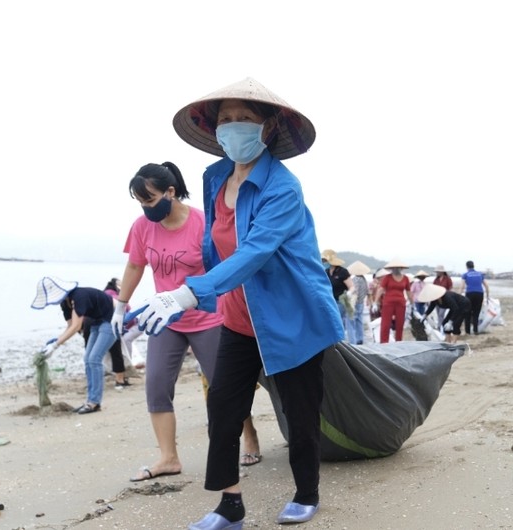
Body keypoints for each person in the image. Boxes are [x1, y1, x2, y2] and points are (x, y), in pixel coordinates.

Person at [130, 77, 342, 528]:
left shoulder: (283, 188)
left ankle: (307, 493)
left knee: (299, 413)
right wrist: (178, 298)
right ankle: (230, 505)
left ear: (267, 128)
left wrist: (190, 291)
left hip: (291, 318)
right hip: (238, 318)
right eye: (226, 119)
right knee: (223, 409)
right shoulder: (214, 177)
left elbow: (254, 252)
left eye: (245, 119)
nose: (233, 127)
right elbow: (215, 246)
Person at [111, 161, 261, 483]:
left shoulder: (203, 223)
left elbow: (228, 267)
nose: (146, 208)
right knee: (156, 385)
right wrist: (120, 307)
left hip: (208, 316)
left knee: (223, 386)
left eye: (150, 200)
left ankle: (249, 435)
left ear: (170, 191)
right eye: (141, 203)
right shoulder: (141, 227)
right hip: (166, 319)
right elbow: (135, 266)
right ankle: (168, 457)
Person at [30, 277, 117, 414]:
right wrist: (54, 342)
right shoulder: (65, 303)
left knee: (94, 359)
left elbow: (77, 326)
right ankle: (90, 401)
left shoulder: (79, 296)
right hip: (96, 323)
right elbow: (70, 326)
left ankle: (94, 403)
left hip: (112, 321)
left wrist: (56, 346)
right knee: (88, 359)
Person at [374, 258, 413, 343]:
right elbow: (380, 289)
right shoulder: (387, 278)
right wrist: (375, 302)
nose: (396, 269)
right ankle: (384, 343)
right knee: (385, 324)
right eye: (394, 268)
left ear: (401, 268)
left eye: (398, 267)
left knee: (400, 324)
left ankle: (398, 342)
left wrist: (412, 303)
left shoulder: (405, 278)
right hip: (388, 303)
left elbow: (409, 291)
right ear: (391, 268)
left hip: (401, 303)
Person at [321, 249, 353, 339]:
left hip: (340, 301)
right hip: (330, 300)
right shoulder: (326, 272)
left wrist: (350, 292)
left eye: (325, 261)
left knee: (337, 321)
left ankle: (341, 341)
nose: (323, 262)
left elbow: (352, 286)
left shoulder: (342, 272)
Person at [460, 260, 490, 335]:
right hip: (479, 293)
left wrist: (459, 296)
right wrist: (487, 296)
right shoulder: (480, 274)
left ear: (466, 267)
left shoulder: (465, 275)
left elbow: (462, 286)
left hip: (470, 293)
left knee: (468, 312)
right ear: (473, 266)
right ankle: (475, 330)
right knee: (476, 313)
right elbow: (486, 285)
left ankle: (467, 331)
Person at [346, 261, 371, 345]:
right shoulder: (364, 279)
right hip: (361, 302)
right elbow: (367, 291)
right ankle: (360, 338)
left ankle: (352, 341)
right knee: (359, 321)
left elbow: (355, 292)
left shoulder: (355, 279)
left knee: (351, 322)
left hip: (355, 303)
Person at [432, 265, 453, 330]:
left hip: (445, 298)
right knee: (438, 313)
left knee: (441, 313)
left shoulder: (447, 279)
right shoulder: (436, 280)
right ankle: (440, 325)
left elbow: (450, 287)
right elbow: (433, 288)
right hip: (437, 298)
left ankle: (440, 326)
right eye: (437, 272)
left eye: (438, 271)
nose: (437, 273)